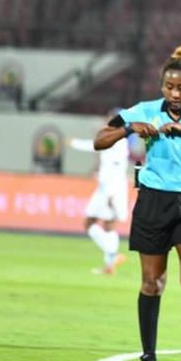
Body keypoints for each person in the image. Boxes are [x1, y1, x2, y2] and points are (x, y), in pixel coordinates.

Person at [93, 45, 181, 361]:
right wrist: (130, 128)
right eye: (169, 87)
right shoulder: (145, 110)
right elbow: (100, 139)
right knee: (152, 283)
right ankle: (148, 358)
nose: (175, 93)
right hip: (153, 202)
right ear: (162, 86)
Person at [68, 110, 130, 275]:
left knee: (107, 224)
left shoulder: (120, 141)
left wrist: (111, 193)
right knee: (92, 223)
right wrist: (75, 143)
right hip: (104, 187)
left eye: (111, 119)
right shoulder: (110, 137)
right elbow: (95, 145)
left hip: (112, 188)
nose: (107, 121)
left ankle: (111, 260)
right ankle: (112, 258)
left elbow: (117, 168)